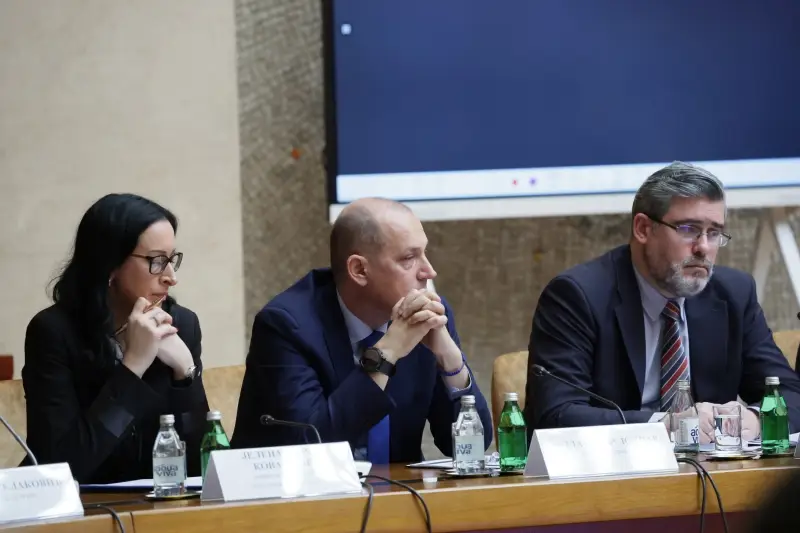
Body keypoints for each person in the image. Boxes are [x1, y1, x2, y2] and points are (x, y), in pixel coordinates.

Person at [525, 161, 800, 441]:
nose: (703, 247)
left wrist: (755, 419)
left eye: (714, 232)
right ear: (643, 229)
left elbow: (790, 395)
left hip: (709, 466)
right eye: (688, 229)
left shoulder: (733, 294)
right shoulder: (578, 296)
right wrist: (667, 426)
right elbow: (556, 415)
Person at [231, 198, 492, 462]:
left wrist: (450, 359)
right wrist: (387, 351)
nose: (429, 271)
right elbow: (311, 446)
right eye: (409, 258)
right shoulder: (286, 325)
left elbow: (471, 448)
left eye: (424, 253)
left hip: (399, 487)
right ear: (359, 270)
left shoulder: (427, 316)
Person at [22, 193, 208, 483]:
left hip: (160, 503)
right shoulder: (53, 332)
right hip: (85, 504)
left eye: (172, 260)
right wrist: (133, 367)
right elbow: (60, 467)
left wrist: (186, 374)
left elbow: (204, 467)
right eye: (157, 261)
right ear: (110, 264)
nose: (171, 277)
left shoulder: (181, 324)